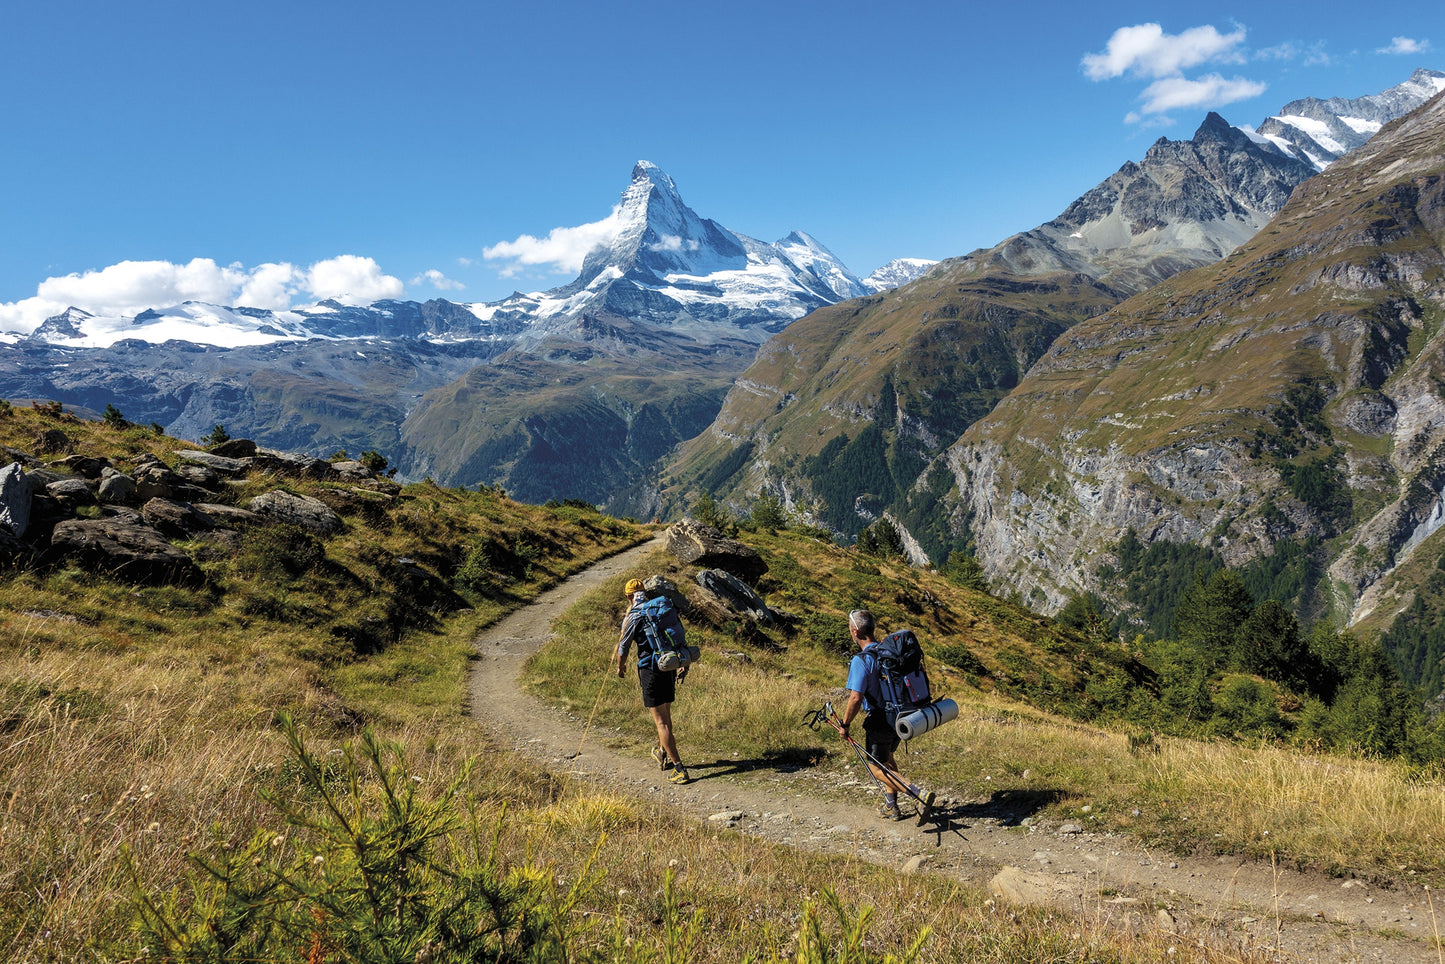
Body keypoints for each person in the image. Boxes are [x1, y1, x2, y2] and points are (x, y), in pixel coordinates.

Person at [838, 609, 934, 820]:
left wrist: (845, 725)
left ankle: (919, 794)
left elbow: (855, 698)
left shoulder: (861, 660)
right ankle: (892, 806)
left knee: (876, 768)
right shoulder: (886, 651)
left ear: (855, 631)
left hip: (879, 720)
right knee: (887, 759)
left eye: (849, 628)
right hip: (899, 717)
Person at [616, 577, 691, 785]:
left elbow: (623, 646)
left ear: (629, 596)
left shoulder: (635, 615)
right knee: (666, 716)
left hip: (650, 671)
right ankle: (661, 752)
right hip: (667, 666)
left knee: (661, 722)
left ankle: (679, 769)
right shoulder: (658, 609)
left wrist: (620, 667)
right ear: (644, 593)